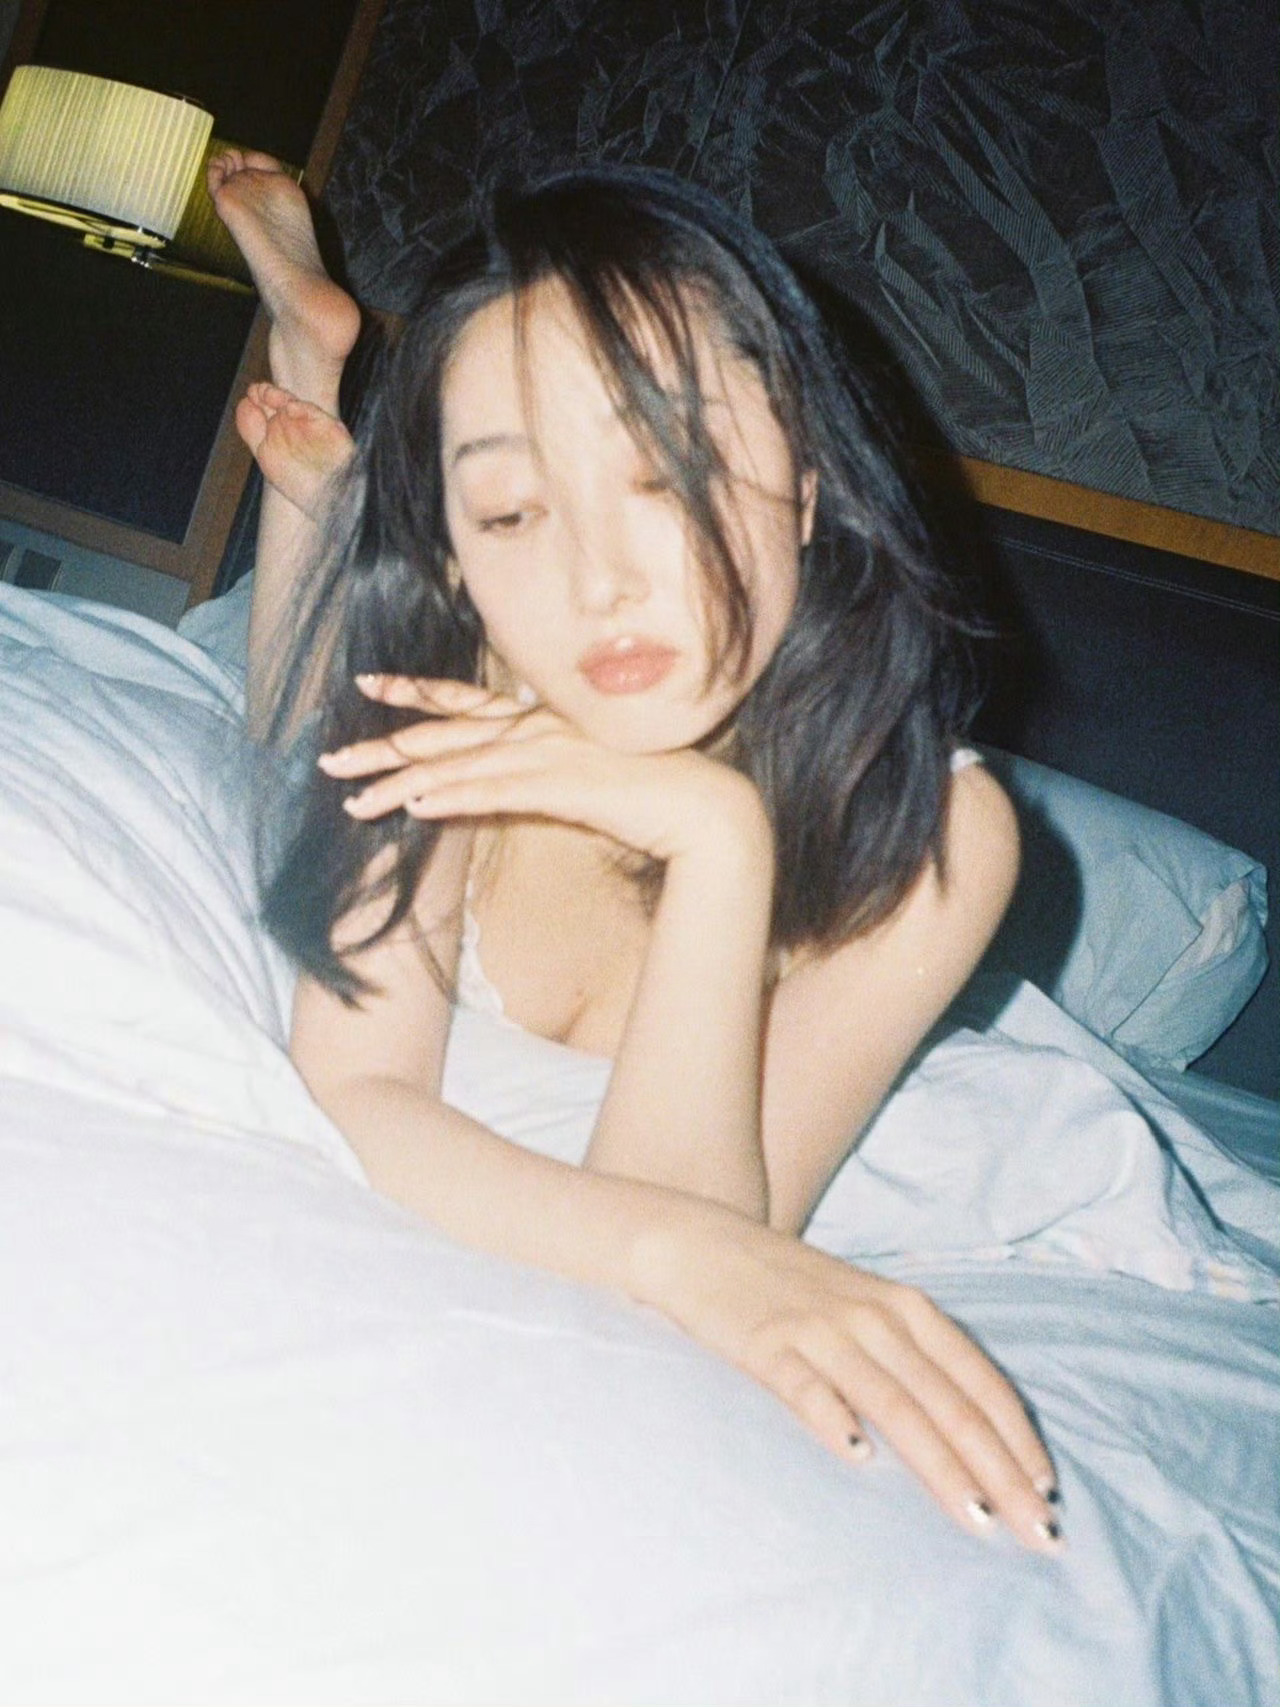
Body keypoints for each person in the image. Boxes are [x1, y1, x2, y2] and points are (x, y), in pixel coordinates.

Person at [209, 148, 1062, 1553]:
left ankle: (343, 475)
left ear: (806, 486)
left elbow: (705, 1217)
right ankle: (320, 403)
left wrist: (719, 840)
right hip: (416, 669)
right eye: (511, 512)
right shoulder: (465, 663)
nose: (598, 582)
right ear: (462, 553)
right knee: (290, 740)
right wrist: (680, 1255)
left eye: (667, 476)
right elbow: (357, 1086)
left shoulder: (937, 837)